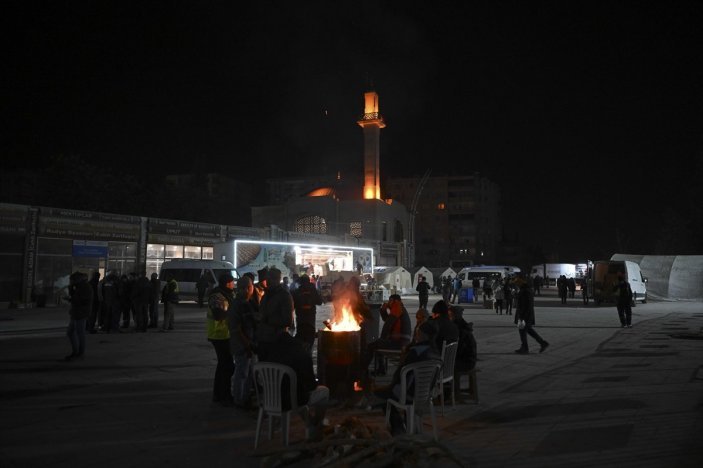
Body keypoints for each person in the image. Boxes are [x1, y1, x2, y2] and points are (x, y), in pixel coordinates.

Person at [372, 320, 440, 435]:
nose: (416, 334)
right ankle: (409, 424)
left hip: (409, 394)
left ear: (423, 335)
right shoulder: (436, 352)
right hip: (426, 394)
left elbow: (401, 374)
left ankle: (398, 428)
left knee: (382, 396)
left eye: (418, 332)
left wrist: (389, 388)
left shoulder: (415, 352)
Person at [265, 332, 330, 441]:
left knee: (295, 393)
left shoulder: (270, 355)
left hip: (271, 399)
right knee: (324, 392)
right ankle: (317, 424)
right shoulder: (302, 356)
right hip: (293, 400)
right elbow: (311, 386)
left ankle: (311, 423)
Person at [361, 294, 412, 376]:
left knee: (372, 346)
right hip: (400, 342)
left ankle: (363, 369)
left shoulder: (397, 306)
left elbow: (388, 324)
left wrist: (382, 339)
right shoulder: (399, 309)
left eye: (390, 300)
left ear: (395, 301)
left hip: (399, 343)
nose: (389, 302)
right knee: (377, 344)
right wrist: (383, 310)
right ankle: (381, 369)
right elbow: (388, 320)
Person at [228, 275, 257, 409]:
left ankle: (244, 398)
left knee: (248, 372)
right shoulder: (238, 305)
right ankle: (239, 400)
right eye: (250, 287)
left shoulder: (246, 303)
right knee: (242, 372)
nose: (250, 289)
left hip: (247, 344)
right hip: (242, 345)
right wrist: (247, 345)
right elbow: (237, 329)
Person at [207, 273, 235, 406]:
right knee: (226, 365)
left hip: (225, 334)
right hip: (218, 334)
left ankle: (221, 393)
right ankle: (222, 394)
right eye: (232, 282)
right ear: (227, 283)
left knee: (225, 365)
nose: (234, 284)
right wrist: (233, 312)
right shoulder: (217, 295)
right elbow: (219, 315)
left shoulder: (226, 294)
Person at [256, 267, 294, 361]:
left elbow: (288, 321)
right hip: (263, 339)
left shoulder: (284, 296)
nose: (266, 281)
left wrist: (267, 319)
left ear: (276, 279)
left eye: (269, 279)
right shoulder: (266, 295)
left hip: (276, 340)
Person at [64, 271, 93, 360]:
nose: (71, 281)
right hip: (77, 312)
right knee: (72, 332)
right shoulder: (79, 286)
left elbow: (82, 300)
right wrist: (71, 291)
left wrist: (70, 298)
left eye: (72, 280)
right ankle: (76, 352)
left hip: (81, 313)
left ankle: (80, 353)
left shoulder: (84, 287)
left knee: (79, 333)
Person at [449, 306, 477, 398]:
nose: (449, 316)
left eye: (450, 314)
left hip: (467, 361)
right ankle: (451, 391)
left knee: (448, 367)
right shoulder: (460, 324)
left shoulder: (459, 328)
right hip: (467, 358)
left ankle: (454, 393)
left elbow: (459, 348)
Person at [514, 283, 549, 354]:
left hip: (525, 316)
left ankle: (525, 348)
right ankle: (542, 343)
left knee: (522, 331)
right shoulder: (526, 291)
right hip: (526, 315)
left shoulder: (525, 292)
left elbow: (525, 305)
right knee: (529, 330)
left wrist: (522, 317)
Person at [292, 274, 323, 355]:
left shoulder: (297, 291)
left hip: (300, 321)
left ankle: (301, 360)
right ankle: (308, 359)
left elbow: (292, 306)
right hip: (310, 321)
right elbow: (319, 302)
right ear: (308, 281)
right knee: (310, 342)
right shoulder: (313, 290)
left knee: (301, 342)